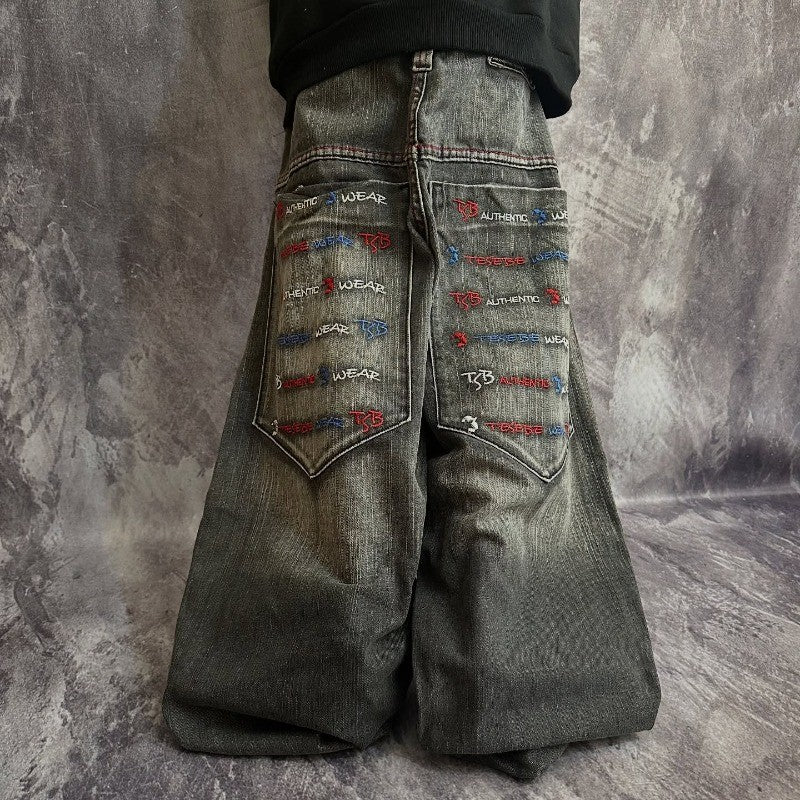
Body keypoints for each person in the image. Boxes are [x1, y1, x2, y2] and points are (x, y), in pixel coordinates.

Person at [161, 0, 662, 783]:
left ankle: (302, 689)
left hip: (342, 54)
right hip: (497, 59)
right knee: (507, 434)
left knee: (335, 442)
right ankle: (518, 692)